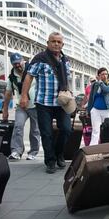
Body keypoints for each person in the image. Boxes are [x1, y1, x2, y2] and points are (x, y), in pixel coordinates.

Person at [20, 32, 71, 174]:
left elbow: (67, 79)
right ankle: (50, 161)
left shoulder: (65, 60)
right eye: (53, 41)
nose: (56, 44)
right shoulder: (40, 58)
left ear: (62, 45)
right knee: (46, 133)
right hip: (44, 103)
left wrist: (69, 94)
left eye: (59, 42)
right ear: (47, 43)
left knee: (66, 129)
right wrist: (24, 95)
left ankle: (59, 153)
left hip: (62, 103)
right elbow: (29, 77)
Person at [3, 52, 40, 161]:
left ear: (23, 60)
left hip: (35, 105)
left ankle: (33, 152)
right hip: (21, 106)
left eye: (19, 63)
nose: (18, 66)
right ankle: (16, 151)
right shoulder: (12, 77)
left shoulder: (32, 70)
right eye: (15, 64)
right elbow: (8, 93)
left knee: (35, 130)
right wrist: (5, 109)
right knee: (18, 127)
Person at [87, 67, 109, 145]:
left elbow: (107, 90)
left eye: (106, 74)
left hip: (107, 110)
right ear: (99, 75)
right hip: (96, 110)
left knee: (107, 130)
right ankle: (93, 148)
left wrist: (100, 82)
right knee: (96, 130)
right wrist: (89, 110)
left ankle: (106, 146)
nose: (105, 76)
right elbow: (91, 98)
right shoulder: (94, 85)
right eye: (102, 74)